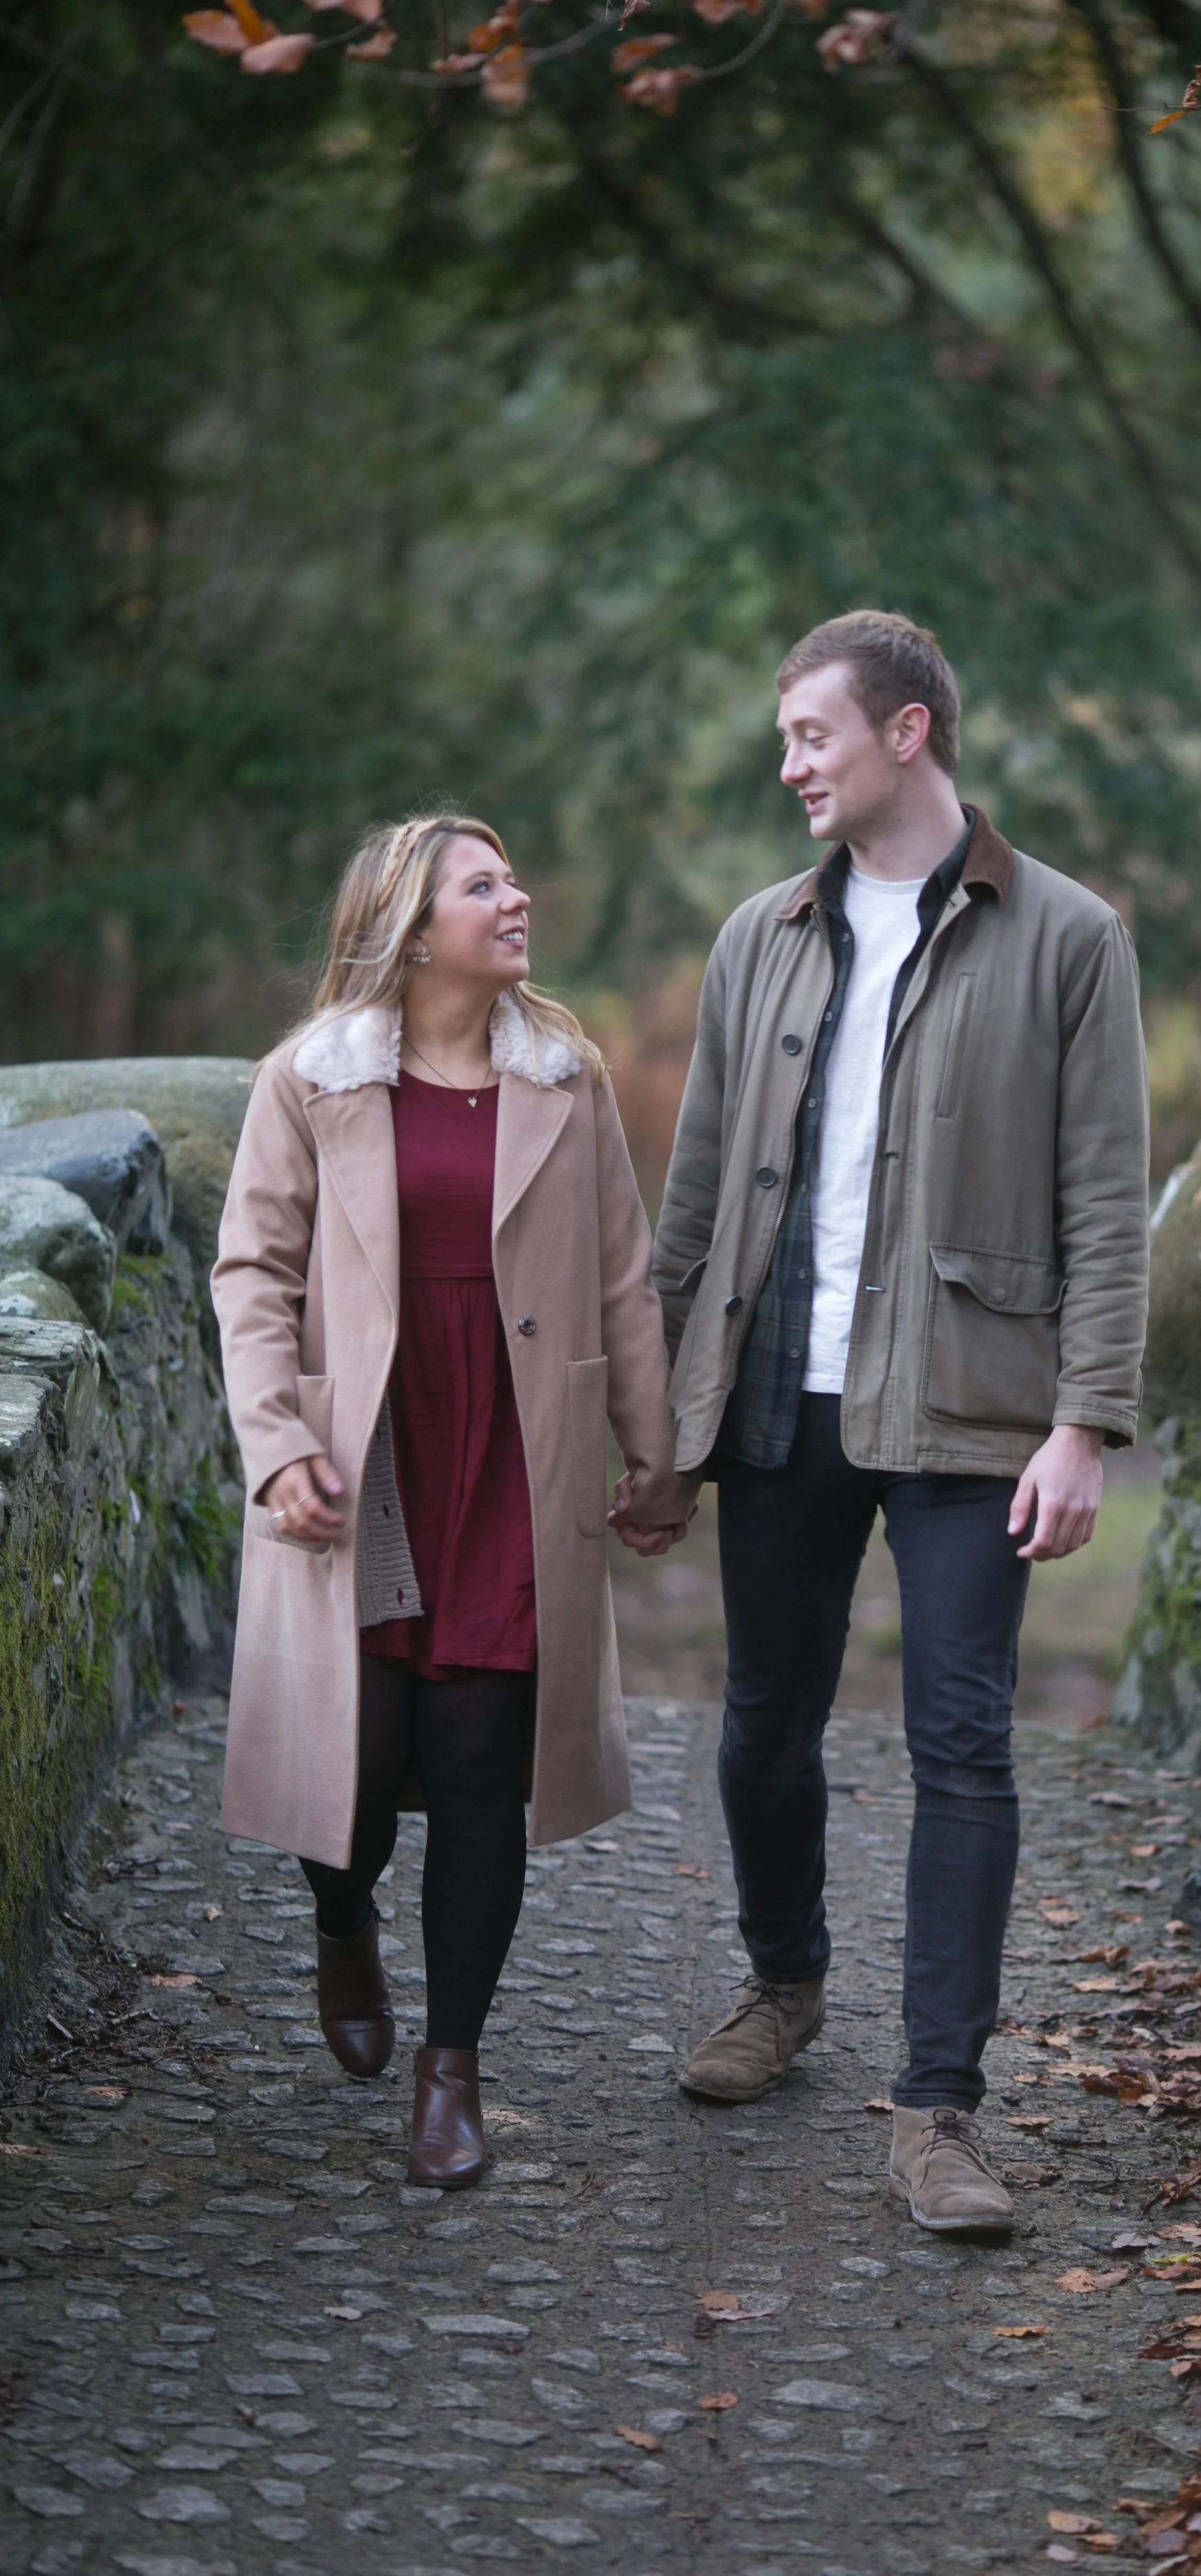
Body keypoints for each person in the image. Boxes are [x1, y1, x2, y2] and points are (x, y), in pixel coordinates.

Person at [653, 612, 1149, 2232]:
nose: (789, 763)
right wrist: (659, 1418)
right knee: (761, 1722)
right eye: (788, 738)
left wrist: (1084, 1422)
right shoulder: (759, 937)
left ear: (907, 733)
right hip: (778, 1390)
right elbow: (697, 1196)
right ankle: (784, 1988)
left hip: (970, 1406)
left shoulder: (1066, 934)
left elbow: (1104, 1204)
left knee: (962, 1746)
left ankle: (938, 2108)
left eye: (811, 734)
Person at [213, 813, 696, 2189]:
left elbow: (620, 1276)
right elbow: (252, 1275)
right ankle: (343, 1919)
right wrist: (275, 1440)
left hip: (508, 1450)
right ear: (414, 926)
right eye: (483, 884)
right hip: (363, 1456)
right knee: (349, 1774)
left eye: (512, 877)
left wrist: (653, 1462)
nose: (516, 896)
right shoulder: (309, 1079)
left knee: (483, 1753)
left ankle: (452, 2069)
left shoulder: (566, 1077)